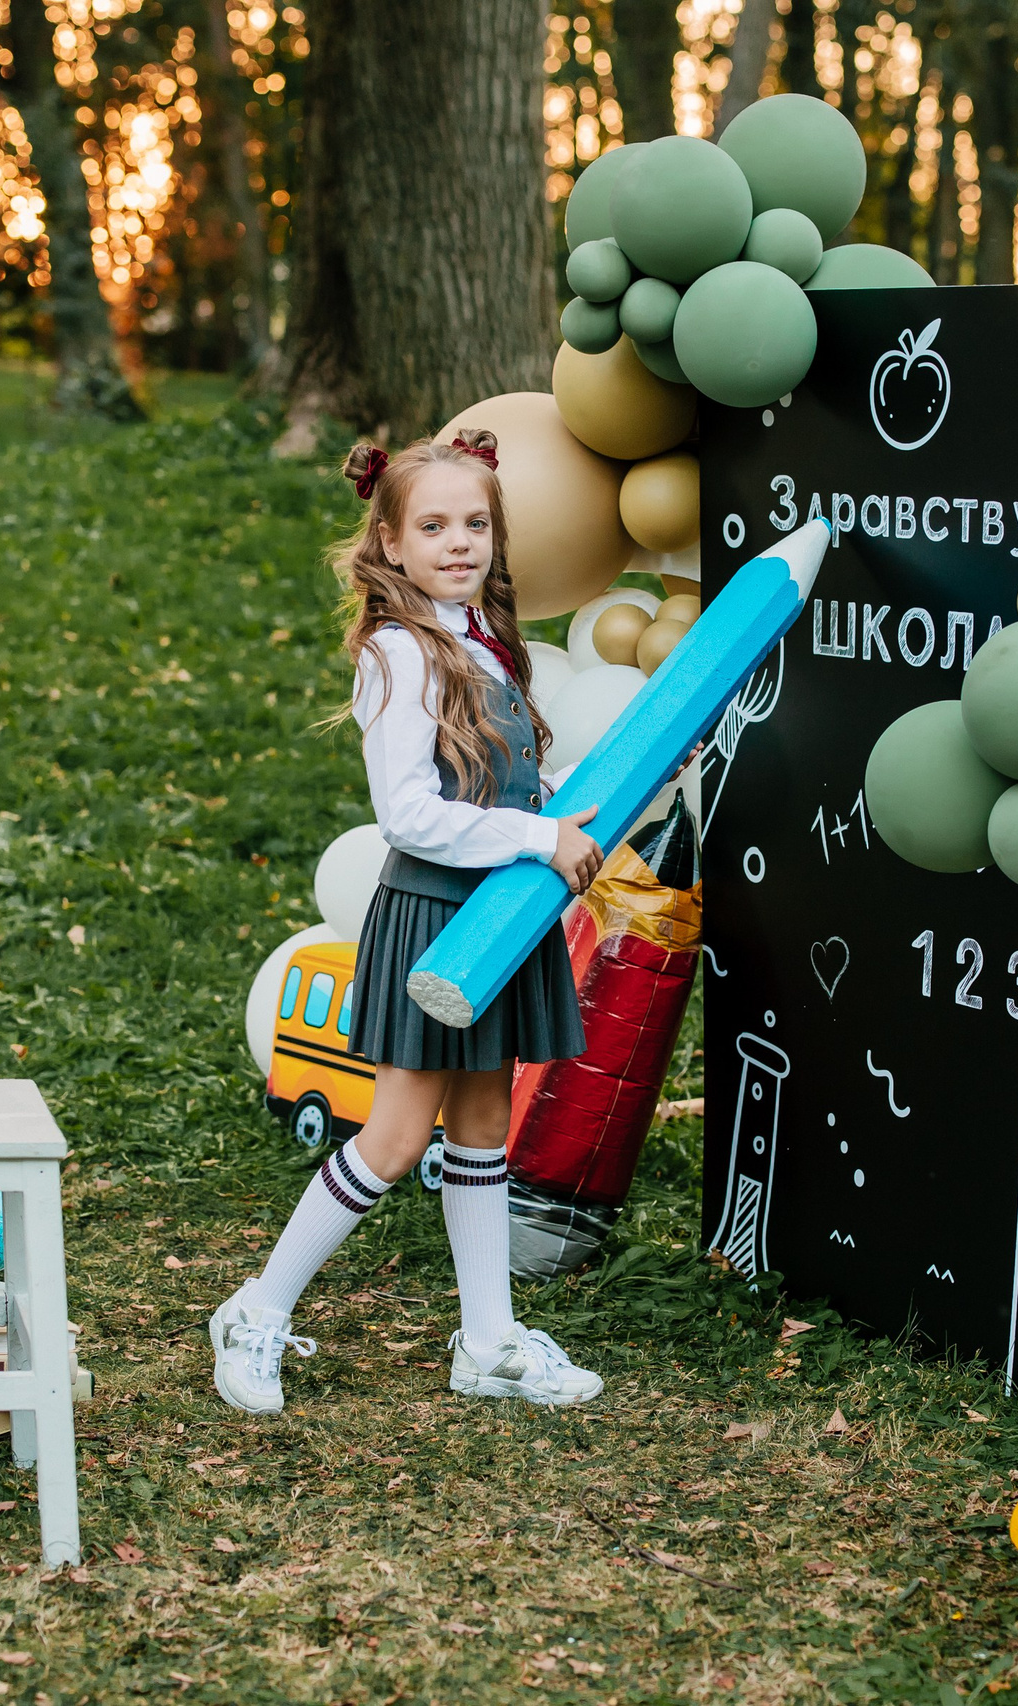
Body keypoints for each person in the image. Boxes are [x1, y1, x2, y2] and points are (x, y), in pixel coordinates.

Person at [210, 430, 607, 1414]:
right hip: (437, 916)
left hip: (499, 916)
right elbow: (411, 814)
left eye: (476, 524)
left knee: (480, 1126)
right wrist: (533, 833)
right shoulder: (398, 651)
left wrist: (558, 807)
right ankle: (255, 1310)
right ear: (389, 542)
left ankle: (488, 1341)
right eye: (433, 525)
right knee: (392, 1138)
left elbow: (497, 775)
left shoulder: (481, 640)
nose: (459, 542)